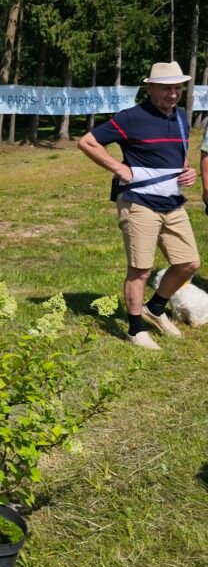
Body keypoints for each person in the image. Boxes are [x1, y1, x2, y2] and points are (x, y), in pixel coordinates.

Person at [78, 61, 201, 350]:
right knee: (141, 270)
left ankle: (155, 308)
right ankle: (135, 328)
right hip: (139, 202)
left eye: (177, 88)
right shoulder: (131, 117)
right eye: (166, 88)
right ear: (150, 88)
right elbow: (88, 142)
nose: (173, 94)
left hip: (172, 201)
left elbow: (178, 156)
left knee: (189, 263)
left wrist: (189, 171)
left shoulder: (181, 116)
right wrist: (119, 169)